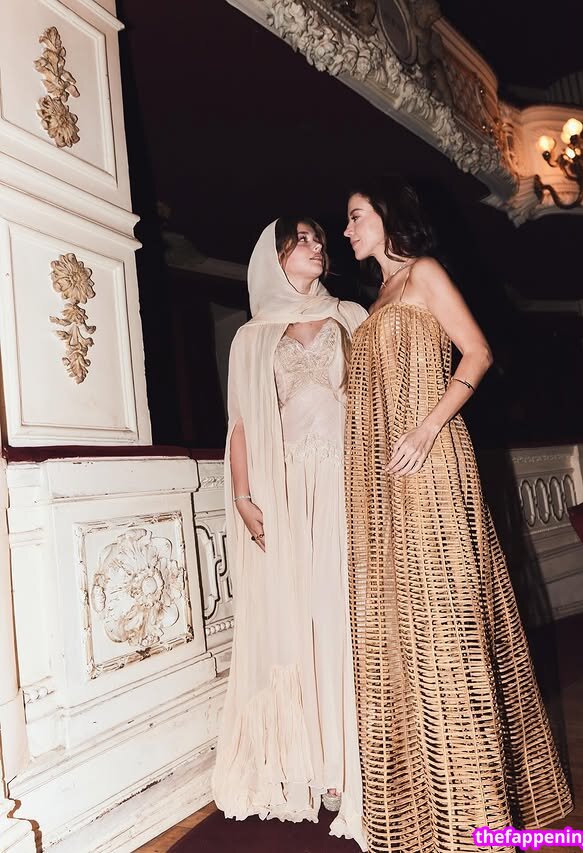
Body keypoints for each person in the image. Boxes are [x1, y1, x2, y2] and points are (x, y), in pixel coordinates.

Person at [342, 181, 572, 853]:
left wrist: (426, 427)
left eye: (355, 217)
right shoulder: (374, 300)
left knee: (448, 624)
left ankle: (476, 812)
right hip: (388, 480)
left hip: (433, 461)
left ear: (387, 216)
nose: (347, 229)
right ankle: (428, 809)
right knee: (407, 624)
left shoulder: (423, 274)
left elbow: (478, 351)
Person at [212, 217, 368, 849]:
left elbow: (376, 401)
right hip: (285, 488)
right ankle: (316, 762)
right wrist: (243, 496)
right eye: (302, 239)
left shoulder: (351, 316)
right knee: (298, 614)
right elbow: (242, 423)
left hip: (347, 483)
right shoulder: (251, 336)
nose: (317, 245)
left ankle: (355, 761)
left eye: (319, 239)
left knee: (344, 612)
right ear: (274, 257)